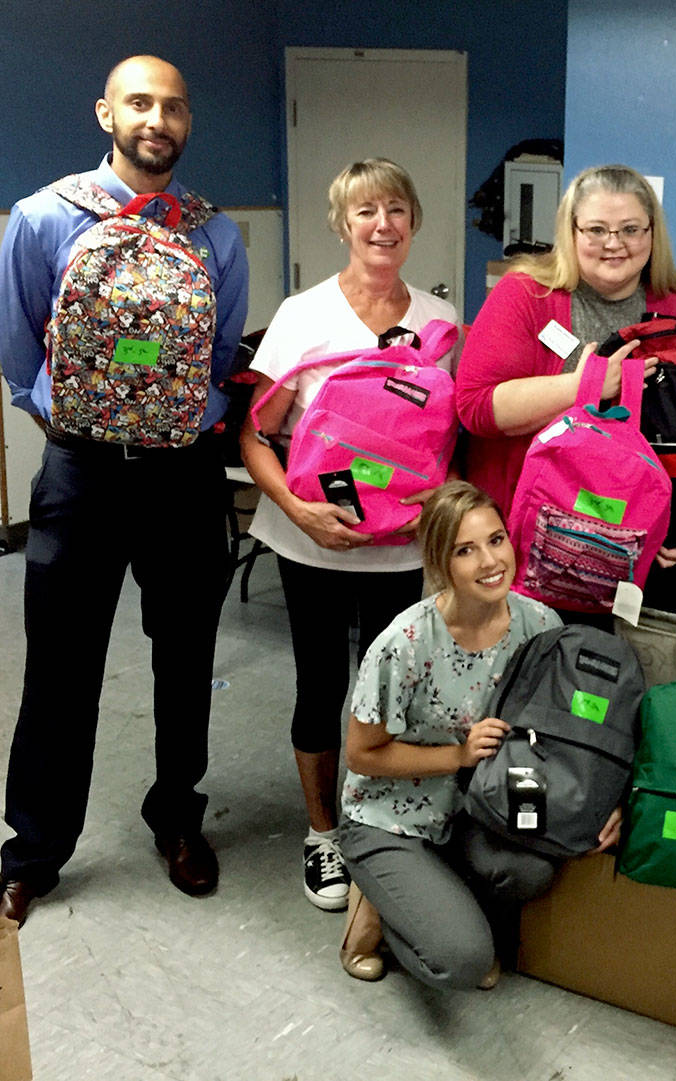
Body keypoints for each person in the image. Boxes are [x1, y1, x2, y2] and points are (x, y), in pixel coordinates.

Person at [0, 56, 249, 926]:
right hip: (81, 474)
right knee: (60, 668)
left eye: (174, 106)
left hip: (183, 478)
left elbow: (222, 364)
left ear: (187, 123)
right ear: (105, 111)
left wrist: (176, 418)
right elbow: (18, 354)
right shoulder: (41, 218)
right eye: (140, 102)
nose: (158, 119)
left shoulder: (215, 235)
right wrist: (78, 422)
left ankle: (177, 817)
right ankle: (32, 848)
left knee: (185, 662)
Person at [240, 158, 458, 912]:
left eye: (396, 209)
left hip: (401, 547)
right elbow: (256, 435)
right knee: (320, 685)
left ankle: (380, 824)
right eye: (365, 211)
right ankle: (324, 833)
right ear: (342, 224)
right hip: (312, 543)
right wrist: (299, 512)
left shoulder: (438, 321)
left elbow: (445, 437)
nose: (382, 225)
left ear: (414, 222)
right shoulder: (303, 314)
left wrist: (438, 501)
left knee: (391, 690)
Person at [335, 481, 622, 988]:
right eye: (465, 550)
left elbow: (570, 732)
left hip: (480, 807)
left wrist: (605, 800)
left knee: (532, 872)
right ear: (440, 563)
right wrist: (459, 756)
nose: (490, 561)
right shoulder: (402, 644)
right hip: (393, 813)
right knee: (468, 965)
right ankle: (376, 907)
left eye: (496, 540)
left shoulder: (540, 624)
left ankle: (432, 897)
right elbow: (361, 756)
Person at [454, 164, 676, 573]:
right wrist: (585, 386)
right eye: (596, 230)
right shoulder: (525, 295)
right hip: (522, 543)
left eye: (630, 229)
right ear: (571, 233)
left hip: (628, 544)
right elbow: (477, 407)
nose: (614, 244)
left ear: (651, 234)